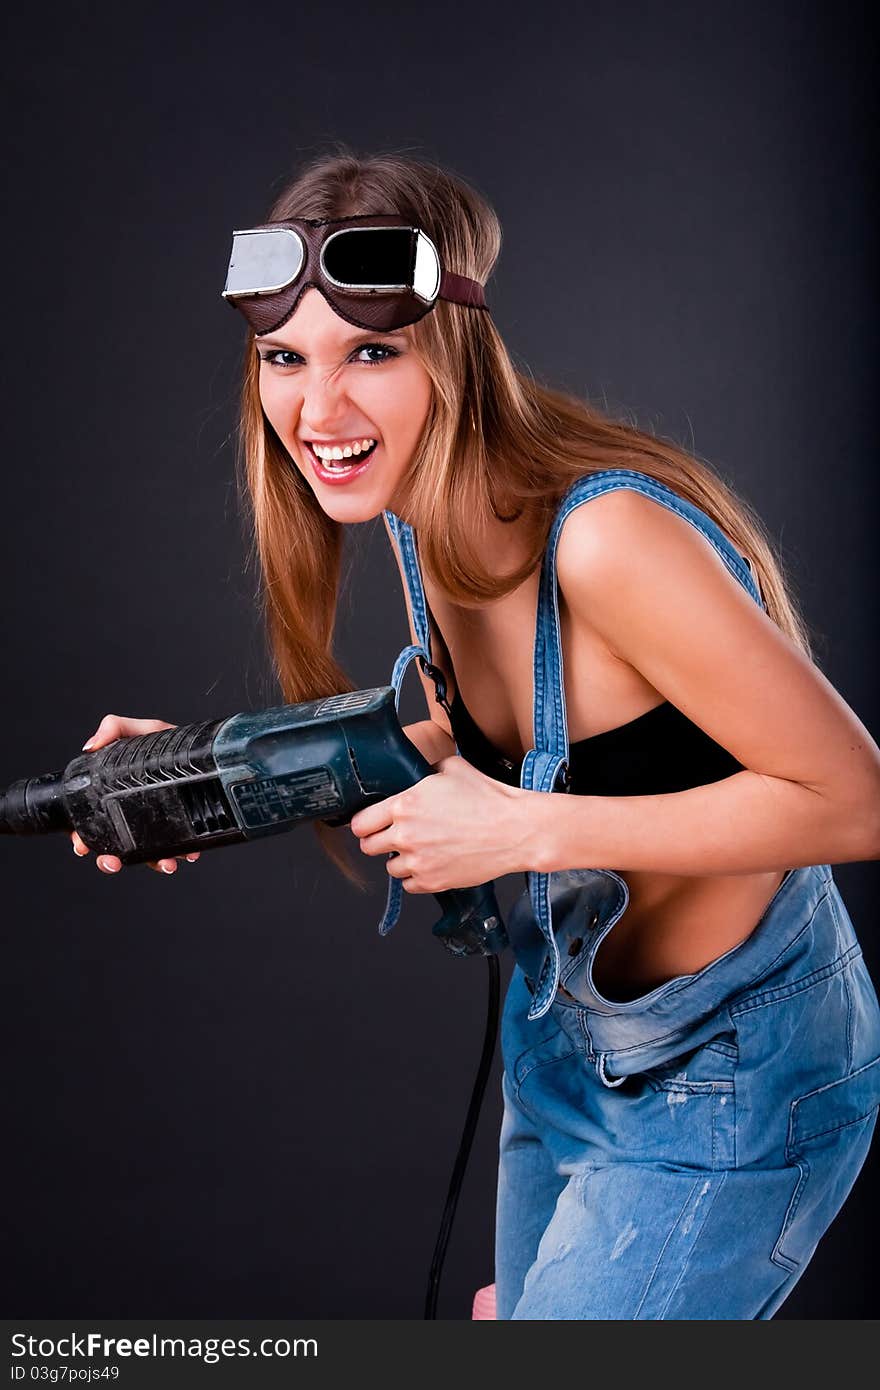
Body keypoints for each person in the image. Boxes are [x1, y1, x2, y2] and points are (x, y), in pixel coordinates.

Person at [70, 148, 880, 1319]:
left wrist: (521, 828)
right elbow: (461, 761)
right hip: (559, 1049)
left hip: (723, 1082)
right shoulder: (418, 518)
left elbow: (854, 799)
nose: (319, 407)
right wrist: (212, 773)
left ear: (451, 348)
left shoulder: (604, 542)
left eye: (370, 354)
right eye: (283, 358)